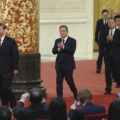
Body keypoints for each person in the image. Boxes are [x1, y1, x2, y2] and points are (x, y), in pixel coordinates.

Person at [52, 25, 77, 99]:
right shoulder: (57, 40)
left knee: (70, 82)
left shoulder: (72, 40)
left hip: (68, 65)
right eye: (60, 31)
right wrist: (59, 49)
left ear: (67, 32)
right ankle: (59, 98)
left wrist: (63, 47)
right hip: (59, 65)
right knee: (58, 83)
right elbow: (53, 51)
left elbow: (72, 51)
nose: (62, 32)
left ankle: (76, 95)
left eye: (63, 31)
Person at [0, 23, 19, 108]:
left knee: (6, 88)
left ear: (4, 30)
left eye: (0, 29)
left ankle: (13, 100)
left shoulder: (10, 41)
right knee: (1, 89)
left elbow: (15, 55)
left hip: (8, 69)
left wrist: (15, 68)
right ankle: (4, 105)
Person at [104, 18, 120, 94]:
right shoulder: (105, 32)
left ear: (115, 23)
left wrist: (112, 39)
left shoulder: (118, 32)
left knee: (117, 72)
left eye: (112, 22)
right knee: (107, 74)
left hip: (116, 57)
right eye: (109, 23)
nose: (110, 24)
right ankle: (108, 89)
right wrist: (107, 41)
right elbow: (101, 42)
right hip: (107, 57)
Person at [95, 9, 109, 73]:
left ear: (108, 15)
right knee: (100, 55)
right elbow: (97, 31)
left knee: (108, 55)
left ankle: (108, 68)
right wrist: (96, 40)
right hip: (101, 41)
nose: (105, 16)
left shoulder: (110, 21)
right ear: (102, 15)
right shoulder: (99, 21)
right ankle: (98, 68)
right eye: (104, 15)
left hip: (108, 41)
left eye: (106, 15)